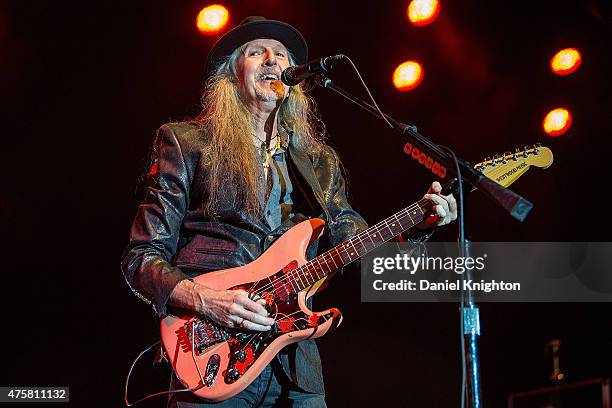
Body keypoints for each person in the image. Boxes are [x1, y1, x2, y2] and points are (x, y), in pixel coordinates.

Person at [121, 16, 457, 408]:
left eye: (281, 54)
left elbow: (358, 251)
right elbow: (141, 258)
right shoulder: (186, 142)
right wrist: (205, 299)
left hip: (295, 367)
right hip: (211, 349)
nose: (271, 60)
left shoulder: (318, 162)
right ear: (230, 75)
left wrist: (417, 226)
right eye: (256, 52)